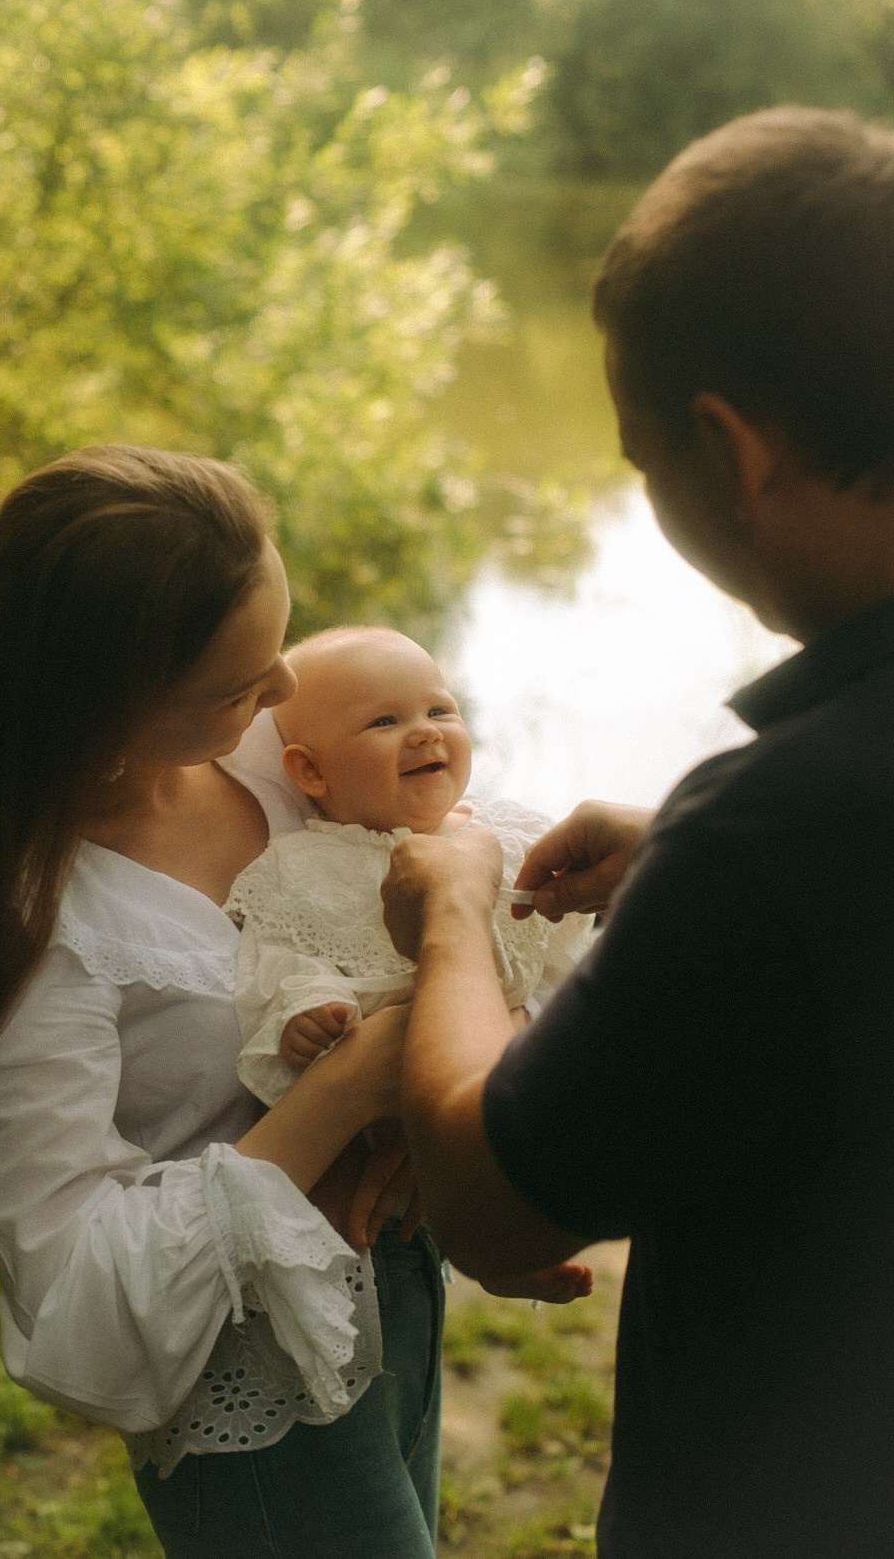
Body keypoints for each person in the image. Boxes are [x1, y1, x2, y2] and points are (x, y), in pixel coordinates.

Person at [380, 106, 894, 1558]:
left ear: (726, 452)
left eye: (638, 456)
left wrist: (457, 911)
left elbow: (489, 1198)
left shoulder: (787, 827)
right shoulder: (791, 832)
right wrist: (683, 844)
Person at [0, 447, 446, 1559]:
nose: (279, 696)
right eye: (237, 685)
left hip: (395, 1290)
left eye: (275, 652)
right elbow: (77, 1296)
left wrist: (418, 1097)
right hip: (256, 1398)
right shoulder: (39, 934)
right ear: (104, 705)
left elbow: (436, 836)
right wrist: (348, 1088)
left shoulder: (279, 760)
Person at [226, 625, 595, 1301]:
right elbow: (274, 958)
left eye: (439, 710)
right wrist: (303, 1009)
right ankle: (323, 1285)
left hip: (486, 1065)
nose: (425, 733)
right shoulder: (303, 867)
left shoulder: (510, 834)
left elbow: (561, 958)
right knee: (347, 1198)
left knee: (520, 1146)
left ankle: (504, 1251)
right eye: (385, 721)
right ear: (311, 771)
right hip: (365, 1104)